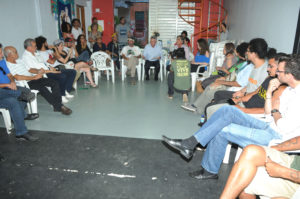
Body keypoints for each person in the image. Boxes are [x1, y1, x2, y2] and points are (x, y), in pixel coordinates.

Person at [162, 54, 300, 181]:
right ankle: (190, 143)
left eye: (280, 71)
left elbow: (282, 125)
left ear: (289, 75)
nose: (276, 73)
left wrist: (276, 110)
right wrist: (269, 93)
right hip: (268, 124)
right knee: (228, 110)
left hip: (276, 137)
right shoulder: (289, 89)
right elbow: (269, 112)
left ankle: (208, 168)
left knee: (223, 130)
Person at [205, 38, 269, 118]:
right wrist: (242, 91)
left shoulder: (265, 71)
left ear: (254, 53)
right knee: (218, 95)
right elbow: (250, 85)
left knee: (211, 107)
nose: (246, 53)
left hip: (247, 101)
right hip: (242, 95)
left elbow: (258, 92)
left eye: (248, 51)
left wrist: (240, 97)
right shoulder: (254, 66)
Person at [220, 136, 300, 199]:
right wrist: (276, 148)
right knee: (251, 153)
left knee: (244, 180)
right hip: (293, 162)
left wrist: (283, 172)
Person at [181, 42, 251, 115]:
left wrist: (222, 82)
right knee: (210, 86)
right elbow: (232, 75)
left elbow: (238, 83)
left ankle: (199, 110)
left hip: (234, 87)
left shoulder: (247, 67)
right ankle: (195, 106)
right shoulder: (241, 63)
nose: (235, 52)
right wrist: (223, 78)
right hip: (229, 82)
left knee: (211, 91)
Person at [4, 46, 72, 115]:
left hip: (33, 79)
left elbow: (29, 69)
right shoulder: (7, 65)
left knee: (54, 83)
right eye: (15, 52)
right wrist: (34, 78)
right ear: (9, 55)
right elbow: (17, 77)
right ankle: (59, 106)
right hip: (25, 83)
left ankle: (57, 106)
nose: (17, 53)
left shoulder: (19, 61)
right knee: (42, 88)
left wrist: (38, 71)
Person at [0, 44, 38, 141]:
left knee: (24, 92)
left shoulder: (2, 61)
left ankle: (20, 131)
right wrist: (7, 85)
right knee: (21, 94)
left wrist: (12, 82)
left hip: (7, 89)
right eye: (0, 53)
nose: (2, 55)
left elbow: (9, 75)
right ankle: (20, 95)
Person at [23, 38, 76, 104]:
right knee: (62, 76)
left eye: (36, 45)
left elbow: (43, 63)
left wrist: (51, 68)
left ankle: (65, 91)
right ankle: (61, 95)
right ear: (29, 47)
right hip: (42, 75)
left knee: (72, 72)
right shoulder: (26, 57)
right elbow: (33, 70)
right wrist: (51, 71)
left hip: (48, 69)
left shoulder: (36, 53)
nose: (36, 47)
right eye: (34, 46)